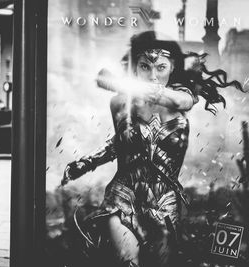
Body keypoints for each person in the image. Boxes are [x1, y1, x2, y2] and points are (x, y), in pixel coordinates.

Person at [61, 31, 243, 267]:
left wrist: (123, 84)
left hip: (164, 200)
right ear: (135, 67)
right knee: (128, 262)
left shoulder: (184, 96)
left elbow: (179, 102)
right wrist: (87, 163)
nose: (153, 75)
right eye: (145, 67)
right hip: (123, 194)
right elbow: (121, 142)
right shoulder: (119, 102)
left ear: (172, 67)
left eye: (161, 67)